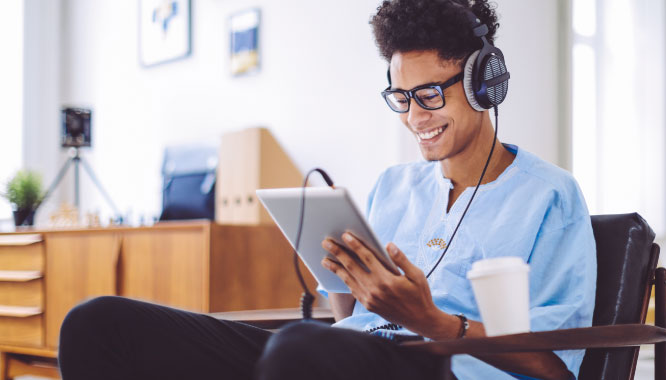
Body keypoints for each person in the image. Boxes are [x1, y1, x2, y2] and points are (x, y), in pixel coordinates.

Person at [57, 1, 596, 379]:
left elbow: (556, 364)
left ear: (483, 83)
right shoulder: (395, 185)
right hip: (342, 358)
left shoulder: (549, 196)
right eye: (401, 97)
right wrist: (345, 274)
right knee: (97, 323)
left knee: (299, 348)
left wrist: (431, 321)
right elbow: (352, 324)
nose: (415, 117)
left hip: (439, 370)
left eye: (430, 95)